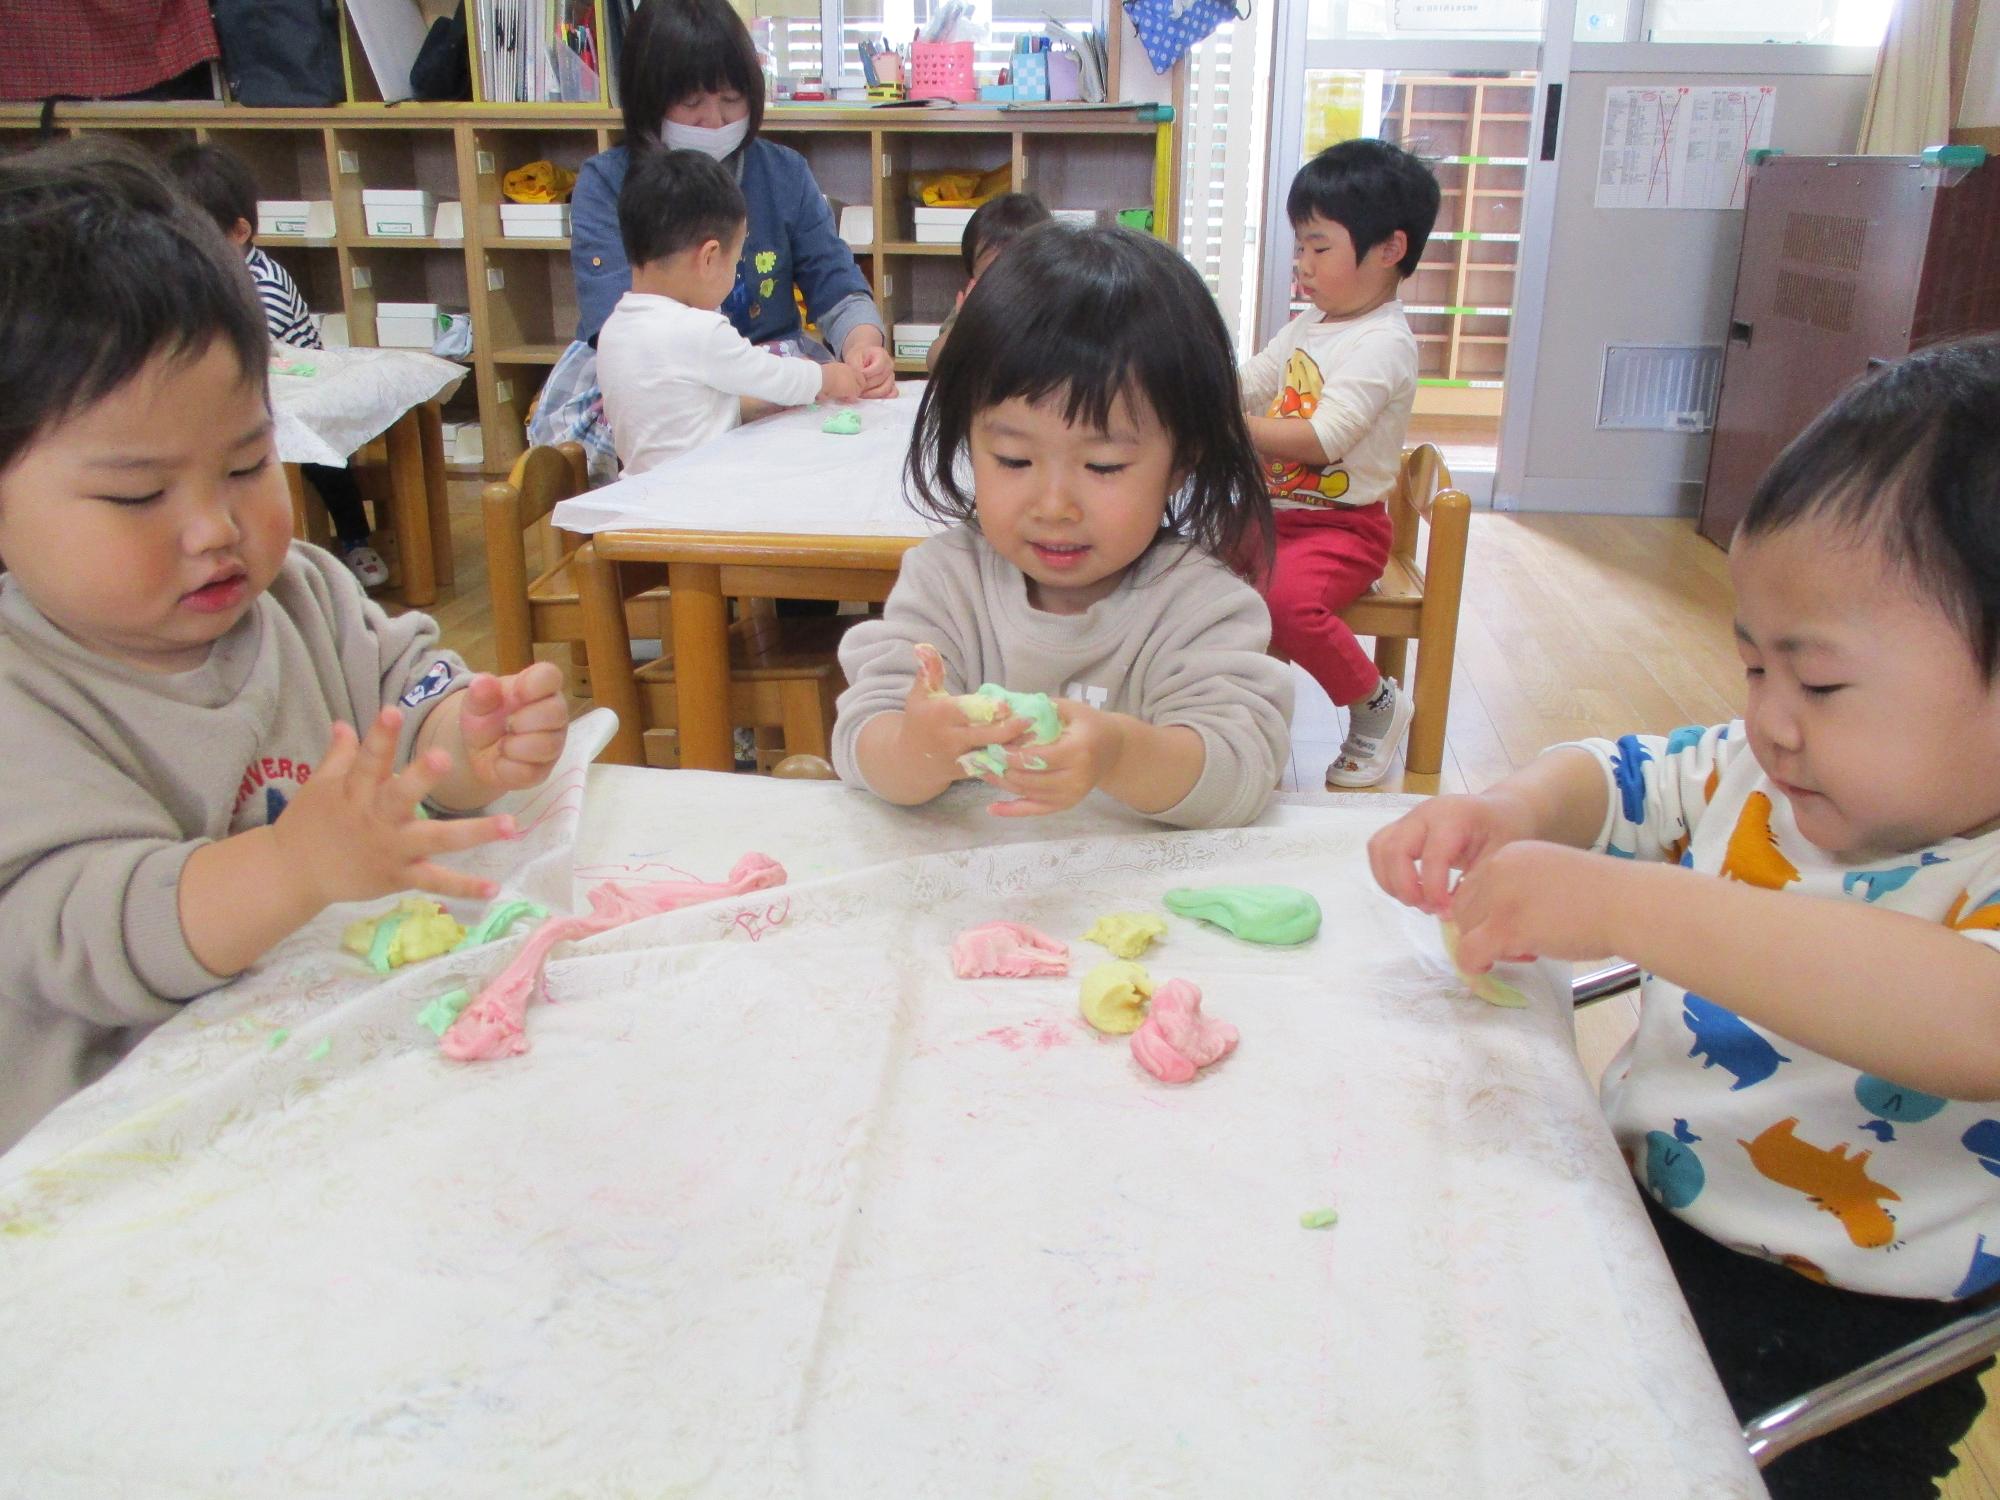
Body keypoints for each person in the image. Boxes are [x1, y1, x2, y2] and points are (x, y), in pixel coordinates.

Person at [1367, 339, 2000, 1498]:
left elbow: (1962, 1016)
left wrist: (1624, 900)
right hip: (1643, 1212)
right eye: (1750, 668)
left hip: (1853, 1350)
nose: (1768, 721)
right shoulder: (1763, 774)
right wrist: (1506, 809)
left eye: (1816, 684)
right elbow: (1616, 774)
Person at [0, 141, 569, 1152]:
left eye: (247, 460)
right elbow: (86, 933)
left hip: (314, 1088)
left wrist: (460, 739)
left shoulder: (299, 593)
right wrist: (293, 865)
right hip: (116, 1153)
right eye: (138, 494)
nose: (213, 526)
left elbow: (408, 684)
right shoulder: (24, 691)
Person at [832, 225, 1293, 831]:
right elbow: (863, 738)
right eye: (1014, 460)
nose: (1054, 506)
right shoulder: (947, 582)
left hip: (1139, 898)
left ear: (1182, 462)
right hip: (974, 898)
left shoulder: (1200, 606)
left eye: (1103, 465)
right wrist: (916, 748)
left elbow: (1241, 773)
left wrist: (1119, 754)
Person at [533, 0, 895, 483]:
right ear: (649, 99)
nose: (715, 120)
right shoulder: (607, 183)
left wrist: (863, 346)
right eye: (691, 104)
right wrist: (741, 400)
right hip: (658, 380)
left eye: (731, 100)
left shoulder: (783, 172)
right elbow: (619, 333)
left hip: (768, 363)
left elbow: (834, 281)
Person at [1240, 138, 1439, 788]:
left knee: (1288, 603)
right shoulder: (1308, 326)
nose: (1302, 263)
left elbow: (1326, 438)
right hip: (1274, 515)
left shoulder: (1384, 343)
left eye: (1319, 247)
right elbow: (1253, 380)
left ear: (1389, 249)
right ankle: (1241, 713)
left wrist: (1231, 428)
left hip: (1342, 528)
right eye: (1300, 246)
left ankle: (1373, 702)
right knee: (1193, 573)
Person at [165, 142, 390, 591]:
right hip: (253, 393)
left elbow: (252, 353)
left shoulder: (258, 281)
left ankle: (353, 537)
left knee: (327, 463)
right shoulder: (199, 276)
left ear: (239, 231)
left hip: (301, 394)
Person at [598, 150, 860, 476]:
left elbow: (682, 411)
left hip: (640, 498)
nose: (735, 271)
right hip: (699, 503)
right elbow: (773, 377)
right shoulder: (698, 330)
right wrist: (829, 377)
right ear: (709, 258)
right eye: (736, 262)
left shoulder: (614, 328)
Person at [924, 191, 1053, 373]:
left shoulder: (1057, 305)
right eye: (990, 275)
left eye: (1019, 271)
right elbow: (934, 364)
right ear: (973, 279)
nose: (1005, 284)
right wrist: (964, 327)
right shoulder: (973, 308)